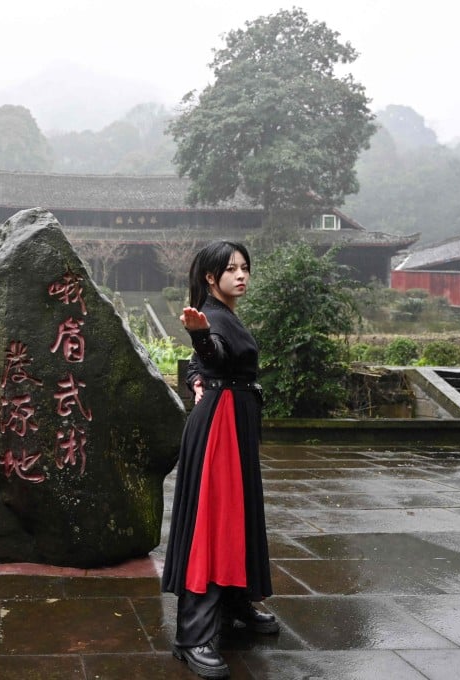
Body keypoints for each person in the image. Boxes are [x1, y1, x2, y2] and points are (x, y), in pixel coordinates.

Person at [161, 241, 276, 679]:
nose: (242, 275)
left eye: (245, 267)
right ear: (211, 277)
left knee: (239, 513)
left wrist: (195, 377)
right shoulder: (210, 317)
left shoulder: (226, 313)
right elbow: (214, 353)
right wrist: (199, 339)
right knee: (214, 519)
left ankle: (234, 603)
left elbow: (201, 365)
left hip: (234, 423)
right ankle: (193, 636)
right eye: (232, 269)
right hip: (220, 428)